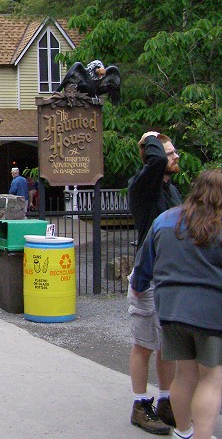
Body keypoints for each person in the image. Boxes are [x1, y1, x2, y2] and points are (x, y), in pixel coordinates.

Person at [131, 169, 222, 439]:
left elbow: (145, 261)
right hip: (210, 312)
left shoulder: (165, 220)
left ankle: (184, 432)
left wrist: (138, 286)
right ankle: (203, 436)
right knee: (211, 378)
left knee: (184, 374)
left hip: (170, 310)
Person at [127, 131, 182, 434]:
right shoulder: (142, 187)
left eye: (175, 152)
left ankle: (166, 401)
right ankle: (139, 405)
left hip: (169, 277)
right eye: (170, 153)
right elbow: (157, 158)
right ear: (153, 157)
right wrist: (150, 137)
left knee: (166, 345)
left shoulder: (171, 190)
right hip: (146, 278)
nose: (175, 158)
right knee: (144, 344)